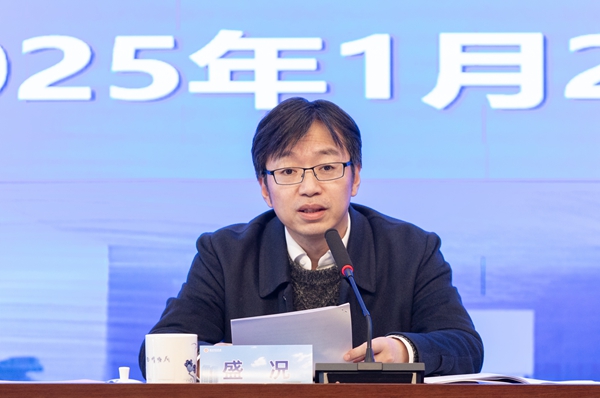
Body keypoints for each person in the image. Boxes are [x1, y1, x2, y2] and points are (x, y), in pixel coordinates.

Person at [139, 97, 483, 377]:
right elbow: (159, 349)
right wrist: (210, 362)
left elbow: (465, 346)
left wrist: (404, 350)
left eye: (327, 168)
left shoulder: (411, 249)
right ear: (264, 188)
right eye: (288, 171)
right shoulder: (225, 254)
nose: (309, 187)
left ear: (355, 177)